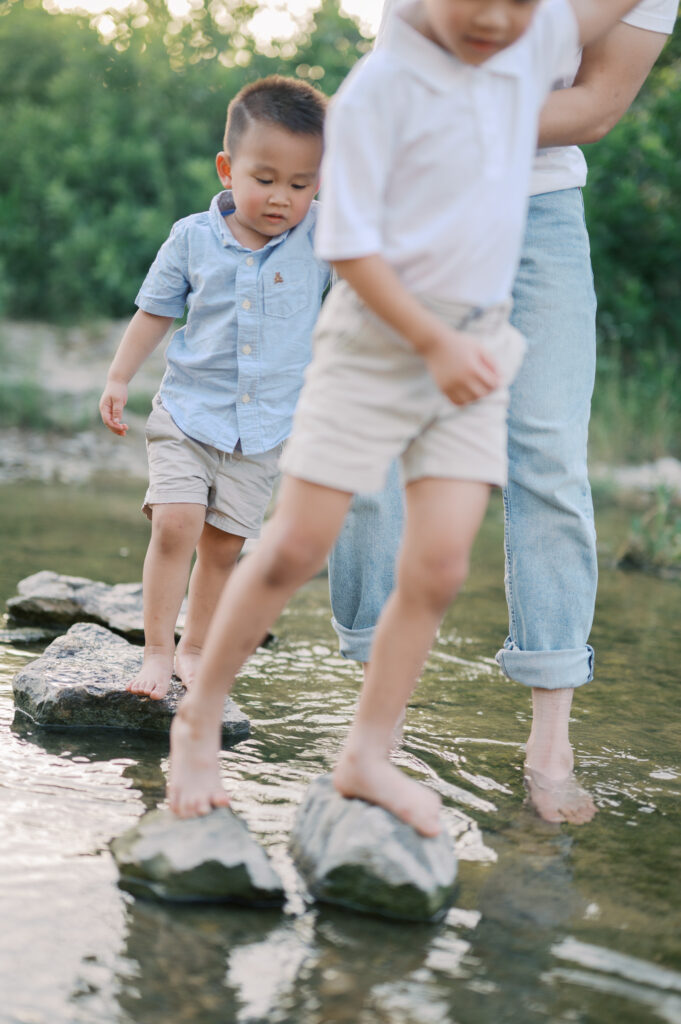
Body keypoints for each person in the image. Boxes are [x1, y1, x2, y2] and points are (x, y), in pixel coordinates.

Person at [167, 0, 646, 834]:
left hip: (474, 346)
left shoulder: (518, 46)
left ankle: (365, 753)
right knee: (295, 545)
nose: (495, 18)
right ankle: (197, 718)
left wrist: (459, 346)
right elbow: (347, 246)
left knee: (437, 567)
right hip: (379, 342)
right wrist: (432, 343)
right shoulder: (381, 88)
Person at [327, 0, 677, 825]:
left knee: (549, 462)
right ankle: (378, 724)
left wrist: (441, 113)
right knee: (375, 459)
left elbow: (594, 107)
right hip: (410, 197)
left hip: (540, 214)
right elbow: (412, 49)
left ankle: (549, 746)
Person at [98, 76, 329, 701]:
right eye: (265, 179)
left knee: (225, 548)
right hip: (188, 413)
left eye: (300, 184)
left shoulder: (323, 239)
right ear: (228, 169)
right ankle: (156, 649)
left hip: (263, 431)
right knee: (176, 523)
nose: (281, 197)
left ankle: (196, 648)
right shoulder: (191, 238)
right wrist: (119, 376)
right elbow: (155, 312)